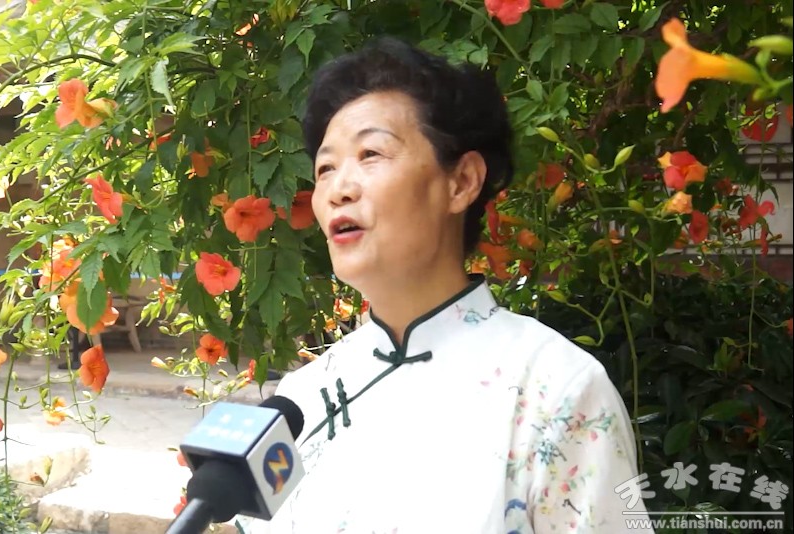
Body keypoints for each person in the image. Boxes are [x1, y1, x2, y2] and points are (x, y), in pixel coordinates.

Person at [236, 37, 652, 533]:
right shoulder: (302, 397)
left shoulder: (557, 390)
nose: (338, 189)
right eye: (326, 168)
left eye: (371, 153)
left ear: (461, 182)